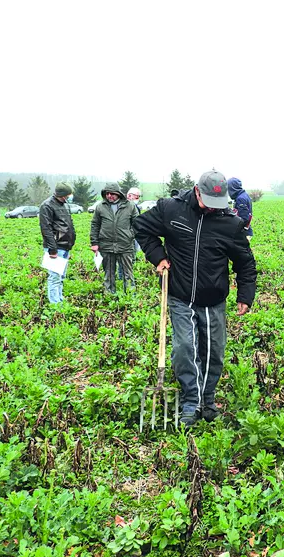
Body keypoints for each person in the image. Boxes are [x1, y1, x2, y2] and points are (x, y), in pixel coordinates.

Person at [135, 170, 257, 426]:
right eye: (206, 203)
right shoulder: (171, 209)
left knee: (214, 352)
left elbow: (245, 263)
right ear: (196, 190)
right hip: (179, 294)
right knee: (185, 349)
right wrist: (158, 257)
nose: (212, 209)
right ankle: (191, 401)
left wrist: (245, 295)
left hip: (213, 298)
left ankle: (208, 400)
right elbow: (142, 228)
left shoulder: (230, 224)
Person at [90, 183, 139, 294]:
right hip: (106, 245)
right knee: (109, 273)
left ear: (118, 194)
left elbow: (137, 224)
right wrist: (94, 242)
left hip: (125, 245)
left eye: (112, 193)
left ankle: (130, 296)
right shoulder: (100, 207)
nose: (109, 196)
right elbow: (95, 225)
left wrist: (130, 235)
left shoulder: (130, 206)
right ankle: (109, 294)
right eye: (107, 193)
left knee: (128, 272)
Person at [39, 183, 76, 304]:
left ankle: (60, 299)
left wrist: (69, 244)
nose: (70, 197)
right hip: (55, 248)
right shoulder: (47, 206)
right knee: (54, 277)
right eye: (68, 194)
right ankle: (55, 304)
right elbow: (46, 229)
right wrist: (52, 250)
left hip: (65, 247)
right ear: (62, 195)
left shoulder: (65, 205)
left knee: (61, 276)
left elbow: (68, 224)